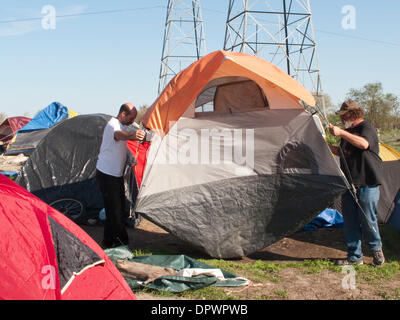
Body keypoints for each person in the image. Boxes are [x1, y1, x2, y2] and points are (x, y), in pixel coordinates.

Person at [328, 100, 385, 266]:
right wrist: (325, 145)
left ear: (352, 114)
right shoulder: (349, 131)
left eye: (343, 116)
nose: (341, 119)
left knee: (368, 219)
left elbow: (363, 144)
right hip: (349, 182)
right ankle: (354, 257)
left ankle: (377, 253)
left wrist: (341, 133)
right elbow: (342, 152)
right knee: (350, 221)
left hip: (367, 182)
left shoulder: (366, 128)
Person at [96, 103, 145, 248]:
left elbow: (135, 130)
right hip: (107, 175)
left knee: (116, 210)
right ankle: (121, 243)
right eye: (131, 118)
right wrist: (132, 136)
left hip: (115, 176)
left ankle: (108, 242)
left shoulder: (124, 124)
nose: (132, 121)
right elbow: (119, 135)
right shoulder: (113, 126)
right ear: (123, 114)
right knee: (115, 212)